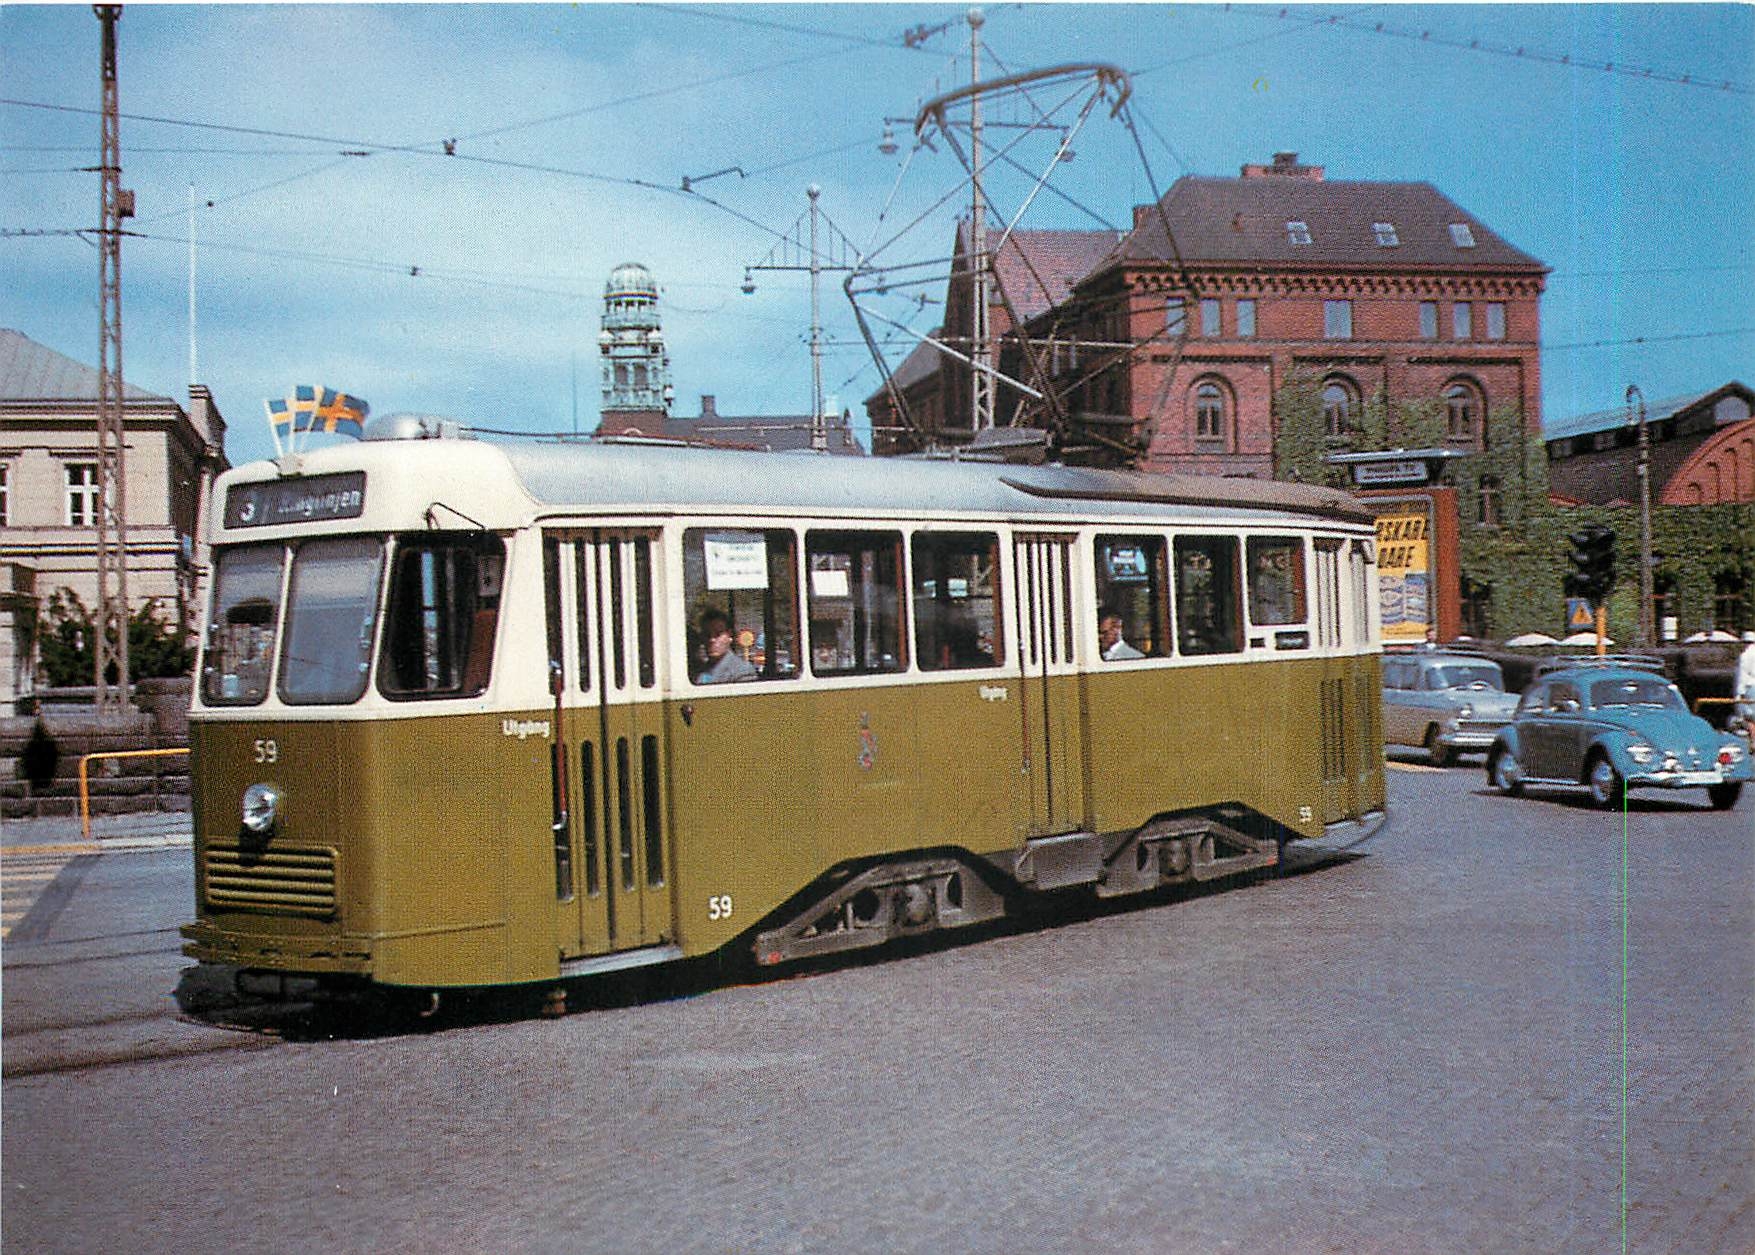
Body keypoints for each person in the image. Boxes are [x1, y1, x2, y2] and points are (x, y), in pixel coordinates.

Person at [697, 611, 757, 684]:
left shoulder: (742, 671)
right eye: (707, 634)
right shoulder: (699, 669)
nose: (712, 640)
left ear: (730, 635)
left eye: (718, 634)